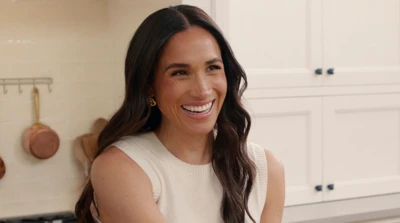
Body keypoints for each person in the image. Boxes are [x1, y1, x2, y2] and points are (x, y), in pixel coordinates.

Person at [75, 4, 285, 223]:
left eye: (212, 68)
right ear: (149, 85)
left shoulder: (265, 168)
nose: (202, 90)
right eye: (180, 73)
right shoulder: (122, 168)